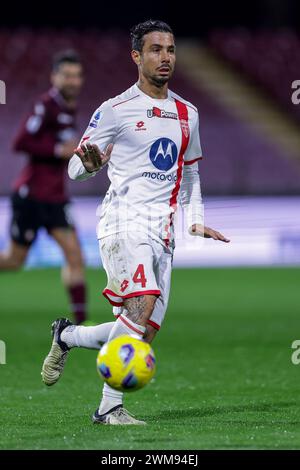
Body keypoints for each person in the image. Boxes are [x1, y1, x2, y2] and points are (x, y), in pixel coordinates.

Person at [41, 20, 230, 425]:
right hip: (123, 222)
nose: (165, 57)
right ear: (137, 56)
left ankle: (67, 336)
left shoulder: (187, 113)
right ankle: (109, 408)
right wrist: (88, 167)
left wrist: (195, 220)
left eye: (171, 49)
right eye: (156, 49)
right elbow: (76, 166)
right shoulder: (114, 109)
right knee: (140, 306)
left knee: (141, 331)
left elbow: (191, 171)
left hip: (163, 230)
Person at [0, 50, 88, 324]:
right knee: (14, 261)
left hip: (55, 198)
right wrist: (56, 149)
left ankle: (81, 324)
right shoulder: (45, 105)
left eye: (77, 76)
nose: (72, 81)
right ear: (54, 77)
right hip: (31, 197)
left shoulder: (67, 108)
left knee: (75, 256)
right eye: (67, 75)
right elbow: (20, 142)